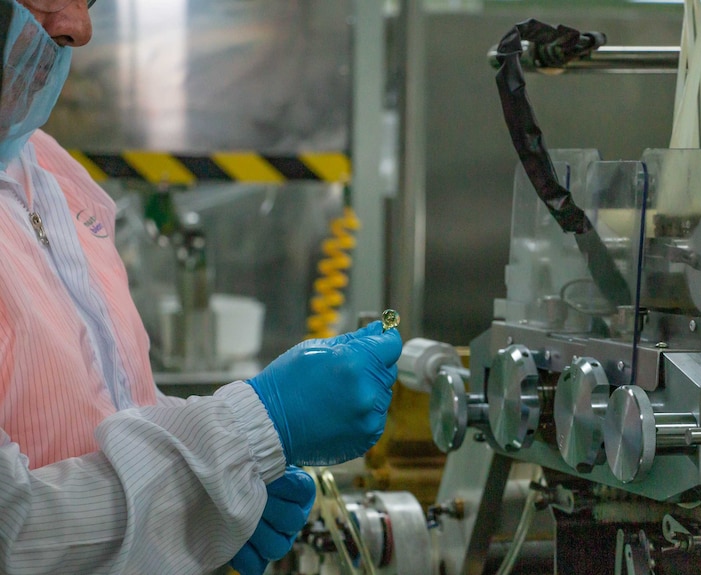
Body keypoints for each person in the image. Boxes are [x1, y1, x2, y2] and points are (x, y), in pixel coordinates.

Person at [0, 1, 403, 574]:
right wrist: (253, 428)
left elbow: (105, 412)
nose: (78, 27)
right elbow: (12, 533)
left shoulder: (42, 165)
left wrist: (207, 503)